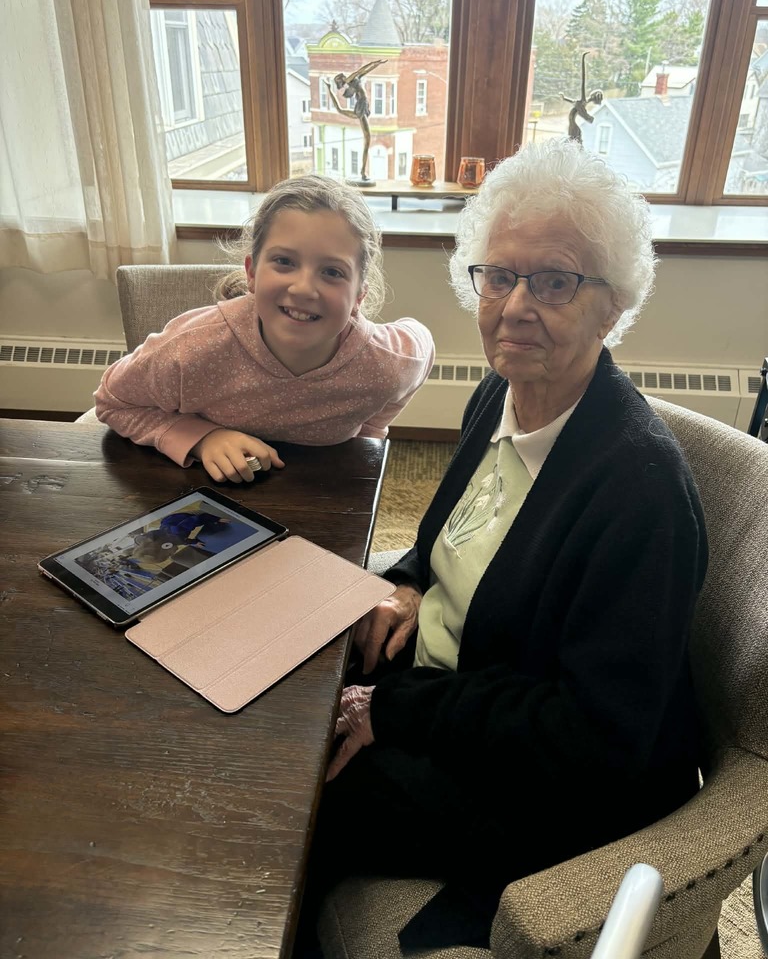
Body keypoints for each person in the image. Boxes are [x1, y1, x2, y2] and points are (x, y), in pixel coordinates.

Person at [299, 138, 708, 951]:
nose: (515, 305)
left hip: (545, 785)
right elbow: (454, 538)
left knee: (297, 799)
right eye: (499, 275)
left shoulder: (640, 495)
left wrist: (392, 709)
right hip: (463, 689)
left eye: (555, 280)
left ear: (612, 304)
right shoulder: (501, 391)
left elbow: (593, 738)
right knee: (285, 689)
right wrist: (411, 583)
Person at [94, 174, 434, 483]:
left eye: (332, 272)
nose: (303, 288)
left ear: (359, 295)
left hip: (324, 498)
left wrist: (370, 431)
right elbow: (113, 401)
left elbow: (423, 349)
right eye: (285, 262)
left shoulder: (387, 361)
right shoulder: (192, 349)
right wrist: (199, 437)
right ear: (252, 273)